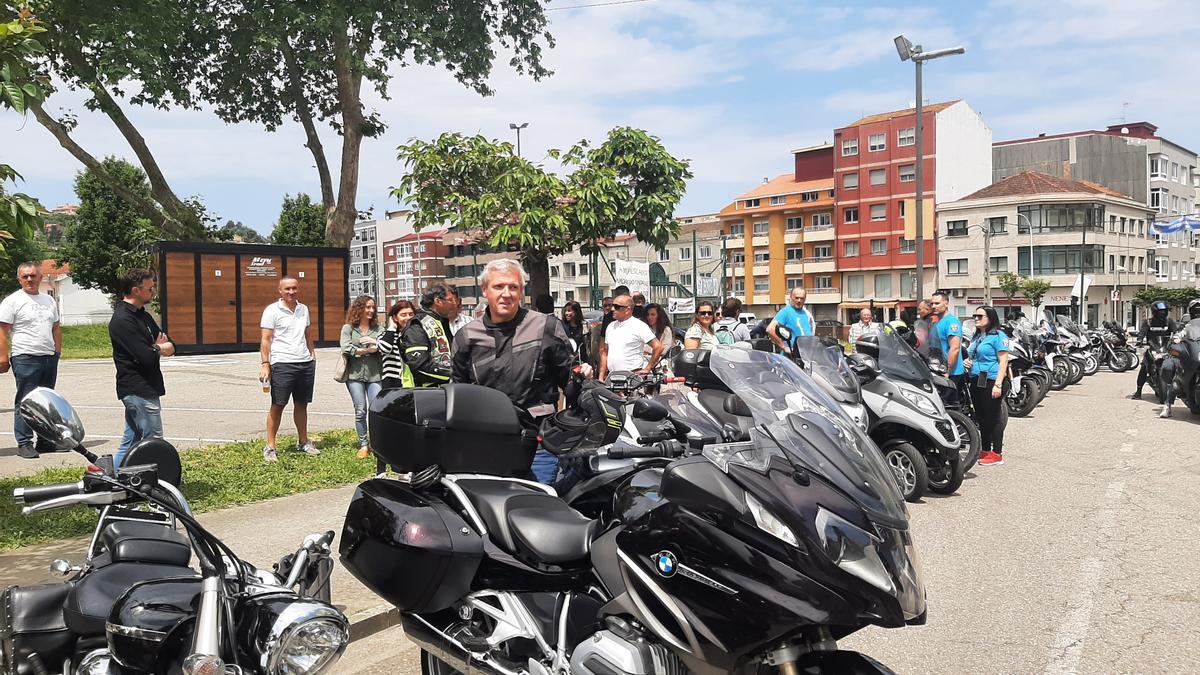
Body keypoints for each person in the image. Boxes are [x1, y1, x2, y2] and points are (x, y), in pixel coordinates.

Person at [452, 259, 579, 484]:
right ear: (485, 290)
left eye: (513, 287)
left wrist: (581, 380)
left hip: (538, 445)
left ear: (522, 291)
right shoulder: (466, 336)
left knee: (538, 509)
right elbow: (458, 396)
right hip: (486, 445)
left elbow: (569, 383)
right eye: (498, 286)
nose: (506, 293)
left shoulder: (546, 327)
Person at [108, 269, 174, 468]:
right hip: (137, 389)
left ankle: (114, 478)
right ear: (136, 290)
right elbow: (145, 357)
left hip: (148, 387)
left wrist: (158, 347)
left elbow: (171, 344)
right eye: (150, 288)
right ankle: (153, 481)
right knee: (153, 441)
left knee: (131, 441)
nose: (153, 292)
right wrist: (157, 347)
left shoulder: (142, 316)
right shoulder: (122, 320)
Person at [0, 262, 61, 458]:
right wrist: (2, 356)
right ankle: (24, 442)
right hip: (25, 357)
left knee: (45, 401)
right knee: (26, 401)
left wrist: (56, 352)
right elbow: (2, 330)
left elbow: (56, 327)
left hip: (48, 357)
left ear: (40, 278)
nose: (29, 279)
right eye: (25, 276)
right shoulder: (12, 301)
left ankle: (44, 440)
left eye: (33, 276)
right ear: (19, 279)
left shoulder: (48, 301)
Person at [259, 276, 320, 463]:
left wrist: (312, 353)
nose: (291, 292)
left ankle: (303, 441)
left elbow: (307, 332)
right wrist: (265, 364)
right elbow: (266, 339)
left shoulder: (303, 309)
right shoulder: (272, 311)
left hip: (304, 362)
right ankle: (270, 446)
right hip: (282, 363)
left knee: (302, 404)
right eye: (287, 289)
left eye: (294, 288)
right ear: (280, 290)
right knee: (278, 405)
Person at [341, 295, 384, 459]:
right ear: (359, 308)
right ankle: (364, 444)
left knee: (375, 409)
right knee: (360, 410)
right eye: (367, 307)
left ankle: (377, 444)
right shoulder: (349, 328)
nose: (371, 310)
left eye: (373, 307)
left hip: (375, 375)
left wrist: (375, 346)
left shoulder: (378, 329)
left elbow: (384, 345)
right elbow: (345, 347)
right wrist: (368, 349)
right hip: (354, 376)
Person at [966, 305, 1010, 466]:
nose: (976, 319)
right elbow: (974, 355)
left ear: (990, 318)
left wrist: (998, 384)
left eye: (980, 316)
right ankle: (985, 449)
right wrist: (968, 362)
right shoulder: (977, 336)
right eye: (975, 316)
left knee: (994, 416)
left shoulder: (998, 336)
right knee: (981, 416)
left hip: (992, 379)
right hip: (977, 379)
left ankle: (997, 453)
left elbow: (1003, 361)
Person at [403, 283, 460, 387]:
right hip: (423, 393)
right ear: (438, 301)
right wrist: (456, 373)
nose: (455, 304)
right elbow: (419, 366)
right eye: (451, 300)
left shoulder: (442, 322)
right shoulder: (418, 325)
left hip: (445, 389)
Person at [599, 293, 663, 381]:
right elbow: (605, 352)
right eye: (612, 306)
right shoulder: (610, 326)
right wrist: (601, 376)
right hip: (612, 377)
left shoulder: (639, 326)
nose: (612, 309)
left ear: (627, 309)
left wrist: (647, 369)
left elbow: (658, 347)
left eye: (617, 307)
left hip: (632, 377)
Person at [1131, 300, 1178, 402]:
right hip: (1152, 348)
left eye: (1164, 311)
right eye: (1160, 311)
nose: (1162, 313)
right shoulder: (1148, 322)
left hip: (1166, 348)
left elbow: (1176, 332)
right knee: (1144, 367)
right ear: (1154, 312)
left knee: (1177, 365)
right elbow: (1142, 333)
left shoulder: (1169, 321)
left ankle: (1179, 389)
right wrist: (1139, 341)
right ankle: (1138, 391)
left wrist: (1178, 340)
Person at [930, 291, 965, 395]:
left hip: (951, 373)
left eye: (937, 303)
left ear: (946, 303)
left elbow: (954, 348)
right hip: (937, 370)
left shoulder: (952, 322)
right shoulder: (935, 323)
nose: (933, 306)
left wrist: (947, 372)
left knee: (950, 407)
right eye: (932, 304)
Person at [378, 300, 416, 390]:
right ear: (395, 318)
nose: (408, 317)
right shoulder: (385, 335)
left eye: (411, 314)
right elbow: (384, 348)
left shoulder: (418, 335)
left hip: (413, 383)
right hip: (392, 383)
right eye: (403, 315)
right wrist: (392, 328)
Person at [644, 303, 675, 370]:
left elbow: (664, 350)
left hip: (660, 366)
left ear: (659, 316)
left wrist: (647, 350)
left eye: (653, 314)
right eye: (648, 315)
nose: (649, 317)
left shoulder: (666, 330)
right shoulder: (645, 329)